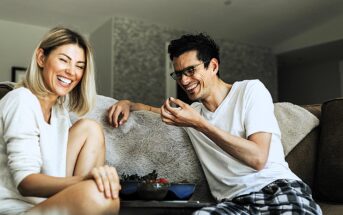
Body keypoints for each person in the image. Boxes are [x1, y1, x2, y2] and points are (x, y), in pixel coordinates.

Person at [108, 33, 322, 214]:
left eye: (191, 70)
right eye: (179, 74)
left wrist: (200, 124)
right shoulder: (192, 114)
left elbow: (257, 158)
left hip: (277, 190)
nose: (183, 81)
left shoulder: (249, 91)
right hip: (233, 204)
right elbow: (153, 111)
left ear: (213, 65)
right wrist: (129, 103)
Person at [0, 27, 120, 215]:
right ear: (41, 58)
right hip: (14, 210)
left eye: (79, 66)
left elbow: (57, 173)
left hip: (47, 205)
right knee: (99, 195)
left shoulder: (59, 112)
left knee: (90, 129)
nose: (72, 72)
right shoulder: (21, 99)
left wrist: (92, 183)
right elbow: (25, 184)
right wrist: (86, 181)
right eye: (64, 60)